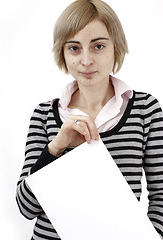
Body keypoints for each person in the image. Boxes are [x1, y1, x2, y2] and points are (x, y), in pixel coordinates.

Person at [16, 0, 163, 239]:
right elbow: (26, 208)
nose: (86, 60)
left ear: (116, 47)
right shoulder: (44, 114)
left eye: (98, 46)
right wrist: (55, 147)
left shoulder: (145, 110)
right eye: (74, 48)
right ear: (62, 53)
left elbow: (161, 198)